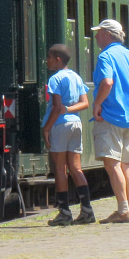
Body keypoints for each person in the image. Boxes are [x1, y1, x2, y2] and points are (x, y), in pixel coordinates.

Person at [91, 18, 129, 224]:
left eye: (99, 32)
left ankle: (123, 210)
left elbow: (107, 82)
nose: (96, 36)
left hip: (110, 117)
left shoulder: (105, 56)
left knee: (112, 163)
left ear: (108, 34)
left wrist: (97, 104)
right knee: (127, 165)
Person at [40, 44, 96, 226]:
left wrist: (46, 128)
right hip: (76, 124)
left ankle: (64, 212)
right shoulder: (76, 77)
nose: (47, 60)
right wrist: (70, 110)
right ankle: (87, 210)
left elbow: (56, 107)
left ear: (58, 59)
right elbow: (85, 103)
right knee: (75, 168)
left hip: (59, 125)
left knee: (60, 168)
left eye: (49, 57)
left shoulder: (55, 79)